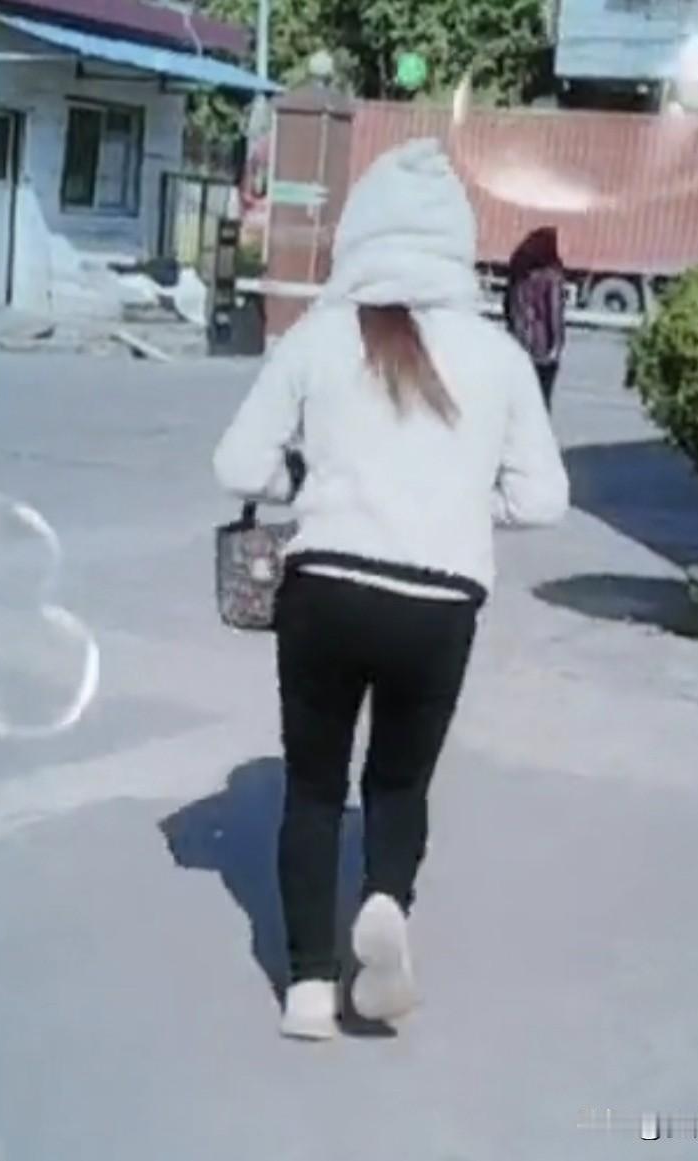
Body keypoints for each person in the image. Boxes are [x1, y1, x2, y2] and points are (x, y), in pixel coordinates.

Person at [212, 139, 569, 1041]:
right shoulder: (497, 356)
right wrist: (462, 502)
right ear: (455, 243)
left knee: (312, 790)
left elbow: (236, 465)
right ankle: (382, 899)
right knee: (399, 784)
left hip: (326, 590)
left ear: (358, 233)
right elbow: (543, 499)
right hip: (439, 603)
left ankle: (307, 988)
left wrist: (307, 483)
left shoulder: (317, 337)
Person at [503, 226, 567, 412]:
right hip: (542, 350)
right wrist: (556, 347)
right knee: (542, 402)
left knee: (519, 400)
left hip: (518, 344)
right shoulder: (552, 277)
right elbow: (554, 313)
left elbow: (507, 307)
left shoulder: (519, 273)